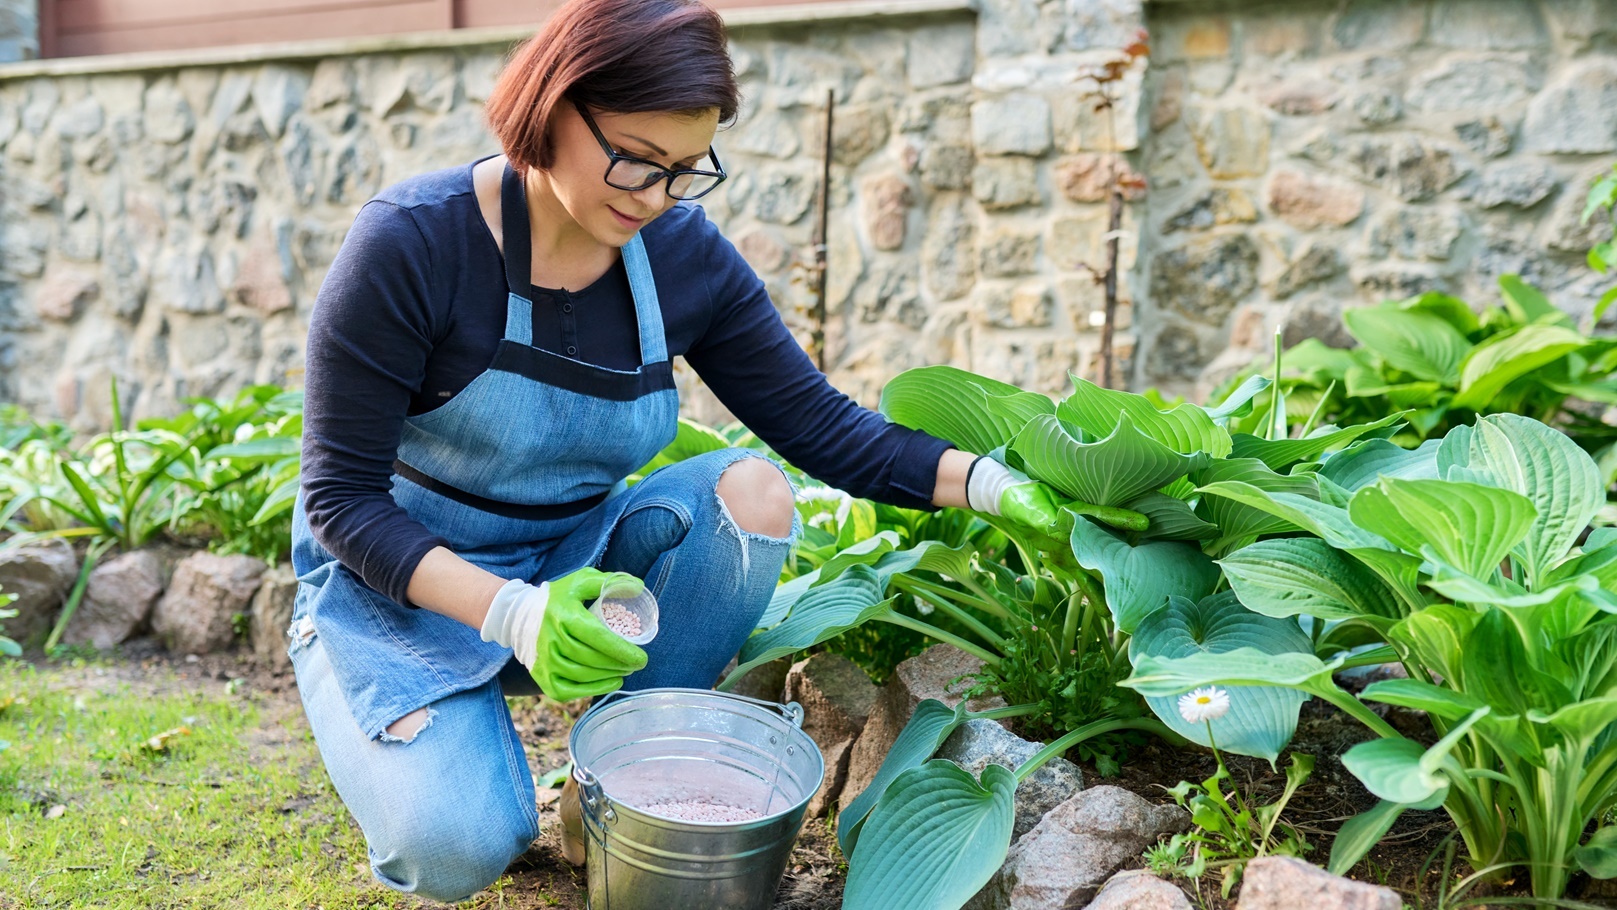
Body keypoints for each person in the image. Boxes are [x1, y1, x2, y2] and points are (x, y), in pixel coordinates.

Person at [286, 0, 1063, 901]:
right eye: (633, 157)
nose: (653, 196)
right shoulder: (414, 241)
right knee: (455, 849)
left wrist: (995, 483)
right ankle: (418, 718)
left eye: (683, 171)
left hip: (574, 566)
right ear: (552, 105)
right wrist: (515, 615)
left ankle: (611, 786)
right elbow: (340, 501)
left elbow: (821, 428)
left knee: (751, 496)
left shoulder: (682, 257)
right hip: (394, 589)